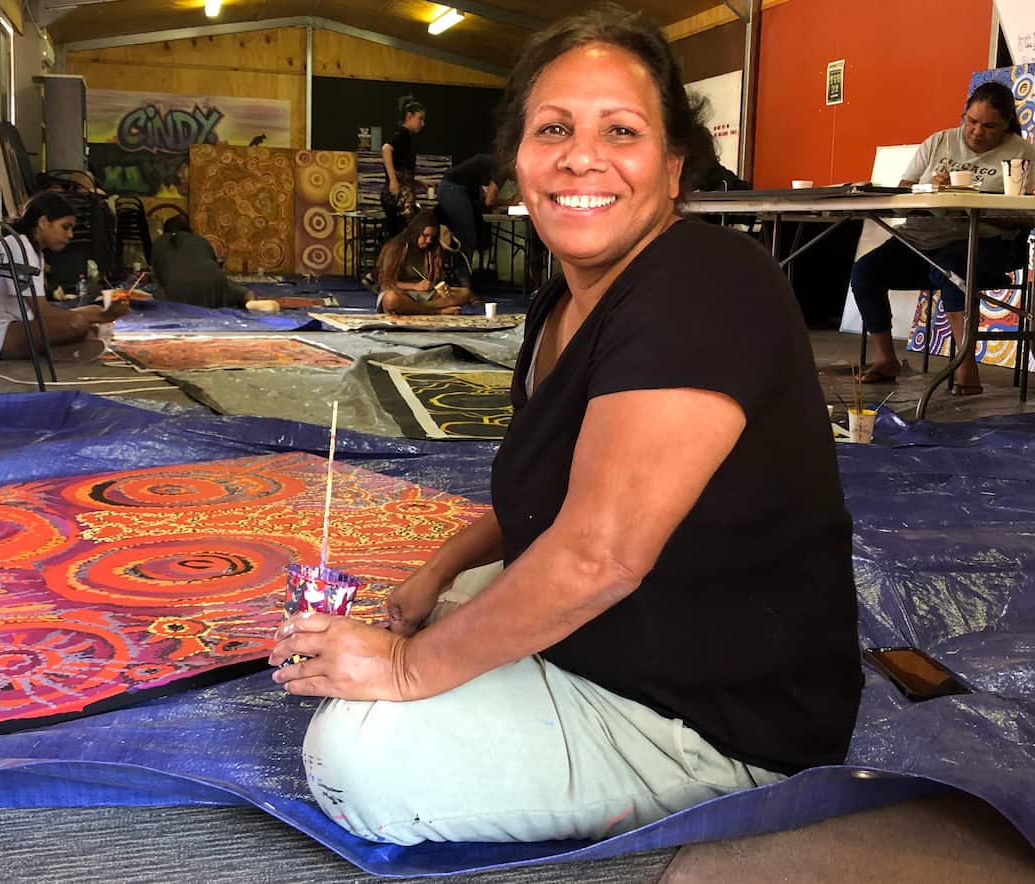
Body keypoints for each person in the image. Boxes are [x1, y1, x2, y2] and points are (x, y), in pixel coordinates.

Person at [271, 4, 860, 847]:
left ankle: (703, 790)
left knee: (353, 758)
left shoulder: (705, 282)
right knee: (436, 621)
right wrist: (438, 570)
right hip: (616, 640)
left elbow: (599, 555)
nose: (582, 156)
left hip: (714, 718)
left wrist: (406, 667)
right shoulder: (562, 302)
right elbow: (555, 493)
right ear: (517, 161)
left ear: (673, 165)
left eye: (621, 131)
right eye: (554, 129)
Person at [851, 81, 1035, 394]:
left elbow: (1027, 216)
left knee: (952, 270)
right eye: (971, 121)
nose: (977, 132)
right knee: (865, 272)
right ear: (963, 116)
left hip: (986, 241)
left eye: (989, 126)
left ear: (1006, 123)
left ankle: (966, 367)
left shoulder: (1022, 154)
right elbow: (904, 189)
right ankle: (886, 359)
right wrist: (930, 190)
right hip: (921, 237)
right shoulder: (940, 142)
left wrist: (973, 204)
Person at [0, 192, 126, 362]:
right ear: (43, 222)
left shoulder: (33, 251)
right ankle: (60, 350)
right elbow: (42, 312)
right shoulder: (19, 246)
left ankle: (63, 349)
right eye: (65, 227)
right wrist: (102, 316)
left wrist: (96, 313)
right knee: (78, 324)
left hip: (13, 325)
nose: (70, 235)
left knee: (92, 315)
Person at [150, 213, 261, 309]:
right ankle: (251, 304)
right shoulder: (200, 240)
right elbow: (214, 267)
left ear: (165, 231)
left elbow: (158, 280)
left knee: (153, 297)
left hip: (179, 292)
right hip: (215, 285)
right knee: (244, 293)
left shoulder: (158, 243)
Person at [375, 211, 472, 315]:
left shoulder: (432, 249)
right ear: (416, 232)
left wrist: (442, 287)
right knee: (391, 300)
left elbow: (436, 280)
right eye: (426, 235)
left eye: (432, 237)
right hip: (401, 293)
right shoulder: (397, 247)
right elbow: (386, 282)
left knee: (465, 293)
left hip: (425, 295)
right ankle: (437, 311)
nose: (429, 240)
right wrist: (415, 286)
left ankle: (413, 308)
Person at [435, 153, 511, 264]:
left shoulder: (497, 164)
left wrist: (507, 203)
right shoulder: (502, 169)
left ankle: (459, 271)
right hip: (453, 189)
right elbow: (489, 200)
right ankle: (461, 273)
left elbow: (488, 200)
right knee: (466, 238)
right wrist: (510, 201)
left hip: (452, 188)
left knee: (466, 238)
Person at [381, 95, 426, 238]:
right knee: (404, 234)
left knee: (404, 233)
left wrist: (417, 182)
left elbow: (401, 169)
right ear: (409, 117)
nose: (422, 124)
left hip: (402, 194)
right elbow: (386, 149)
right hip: (398, 196)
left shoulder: (407, 137)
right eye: (420, 119)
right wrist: (393, 181)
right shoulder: (402, 134)